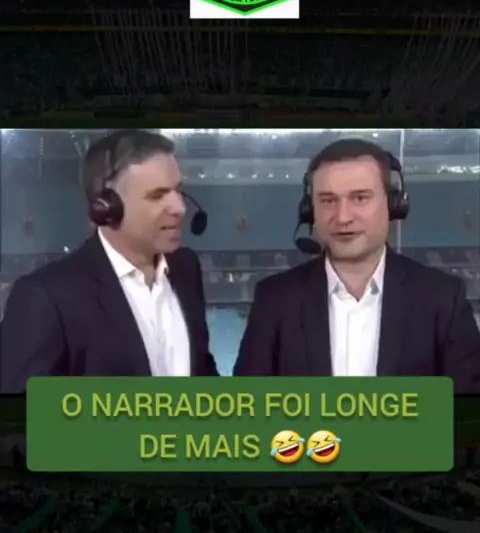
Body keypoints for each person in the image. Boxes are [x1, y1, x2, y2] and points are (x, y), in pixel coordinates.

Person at [234, 138, 480, 393]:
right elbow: (247, 404)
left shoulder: (443, 298)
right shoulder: (274, 299)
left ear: (392, 204)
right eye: (328, 200)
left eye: (360, 198)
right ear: (310, 211)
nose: (343, 217)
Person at [1, 130, 218, 392]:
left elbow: (202, 370)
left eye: (178, 190)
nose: (180, 208)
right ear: (106, 208)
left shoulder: (186, 268)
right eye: (157, 196)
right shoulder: (45, 296)